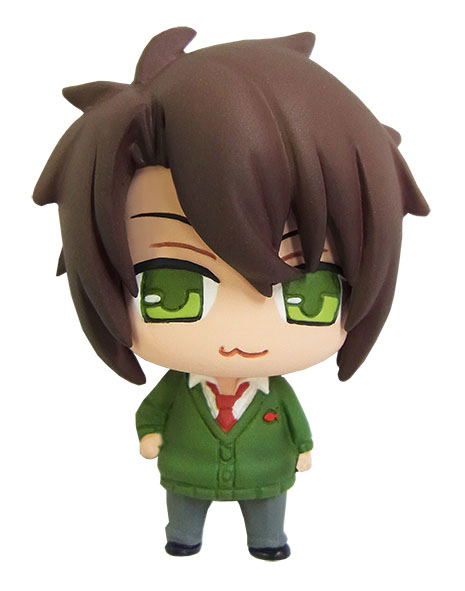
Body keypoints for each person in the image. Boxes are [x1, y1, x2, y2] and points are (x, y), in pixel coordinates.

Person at [33, 27, 429, 560]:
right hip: (187, 472)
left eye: (308, 297)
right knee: (184, 511)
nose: (241, 334)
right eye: (175, 290)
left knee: (267, 512)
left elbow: (297, 426)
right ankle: (184, 538)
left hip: (265, 475)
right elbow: (152, 413)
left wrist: (303, 448)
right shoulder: (178, 388)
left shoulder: (275, 394)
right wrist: (149, 435)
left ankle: (267, 541)